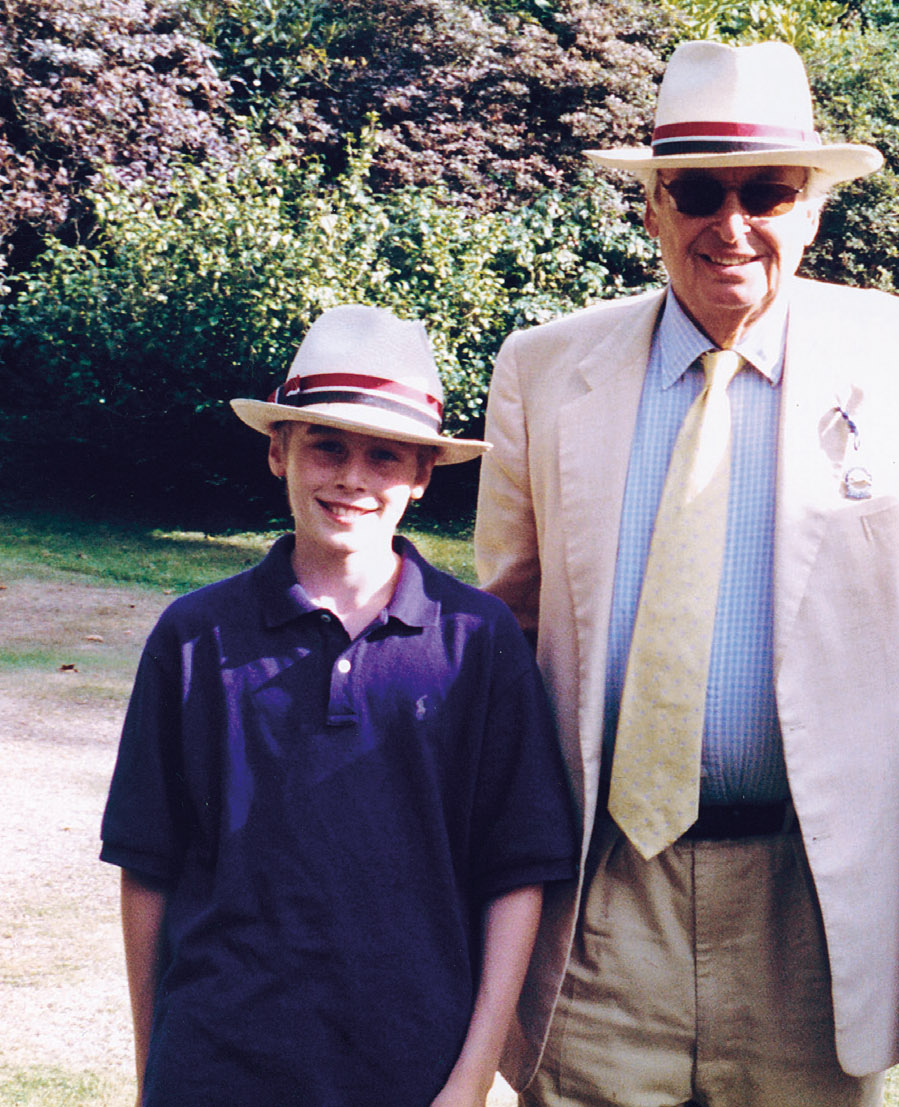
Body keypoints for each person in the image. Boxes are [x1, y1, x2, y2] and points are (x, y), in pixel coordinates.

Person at [474, 38, 899, 1107]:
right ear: (651, 206)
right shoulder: (544, 369)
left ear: (812, 206)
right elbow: (501, 626)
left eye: (766, 192)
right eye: (695, 191)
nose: (728, 225)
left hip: (815, 904)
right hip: (601, 896)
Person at [100, 304, 579, 1106]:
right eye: (327, 445)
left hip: (411, 1067)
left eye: (385, 455)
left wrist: (470, 1080)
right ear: (278, 450)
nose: (353, 477)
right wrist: (159, 1071)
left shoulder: (479, 641)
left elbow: (516, 876)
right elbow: (147, 869)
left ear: (424, 474)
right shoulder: (194, 636)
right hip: (220, 1064)